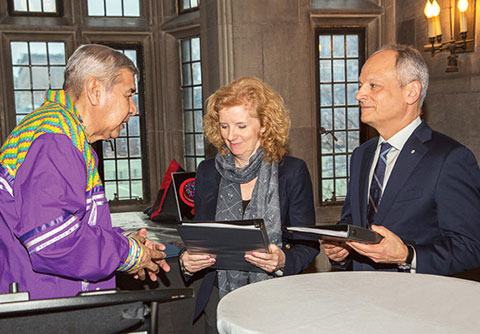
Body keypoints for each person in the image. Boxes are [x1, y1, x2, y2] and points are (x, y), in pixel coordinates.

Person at [0, 44, 170, 299]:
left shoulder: (63, 133)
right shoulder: (55, 139)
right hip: (46, 303)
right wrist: (126, 253)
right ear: (94, 90)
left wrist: (124, 241)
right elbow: (52, 240)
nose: (133, 109)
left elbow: (71, 223)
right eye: (128, 94)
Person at [321, 44, 480, 274]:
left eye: (373, 86)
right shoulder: (361, 155)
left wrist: (407, 255)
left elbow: (471, 248)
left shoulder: (450, 159)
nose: (359, 94)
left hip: (416, 301)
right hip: (360, 296)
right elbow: (352, 222)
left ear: (411, 93)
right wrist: (341, 247)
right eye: (360, 85)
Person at [180, 76, 319, 332]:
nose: (231, 136)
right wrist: (187, 260)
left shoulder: (292, 171)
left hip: (277, 297)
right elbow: (199, 238)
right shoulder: (207, 172)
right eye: (224, 126)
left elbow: (308, 245)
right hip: (218, 298)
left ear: (264, 125)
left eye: (241, 126)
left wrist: (282, 260)